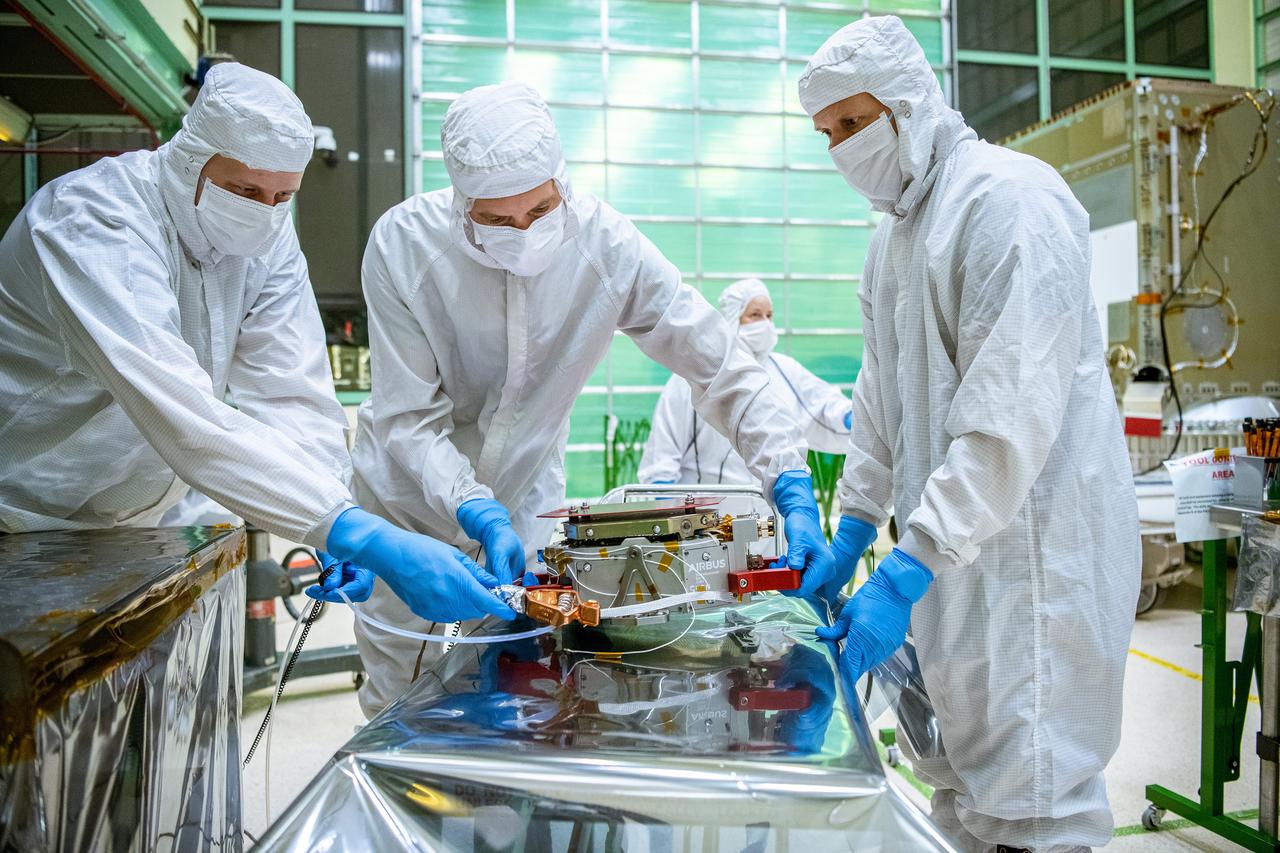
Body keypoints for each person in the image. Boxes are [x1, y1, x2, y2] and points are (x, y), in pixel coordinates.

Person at [348, 81, 833, 718]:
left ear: (562, 180)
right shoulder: (403, 248)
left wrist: (790, 479)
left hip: (522, 499)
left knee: (525, 681)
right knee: (399, 695)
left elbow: (720, 365)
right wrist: (472, 508)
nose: (523, 232)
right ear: (462, 200)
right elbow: (408, 421)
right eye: (497, 219)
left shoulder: (608, 247)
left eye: (541, 209)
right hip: (407, 507)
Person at [0, 62, 515, 625]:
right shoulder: (94, 221)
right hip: (22, 521)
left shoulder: (266, 232)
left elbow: (291, 391)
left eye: (282, 195)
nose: (264, 210)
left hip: (144, 526)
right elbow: (182, 415)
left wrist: (331, 515)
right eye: (245, 189)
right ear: (192, 158)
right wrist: (361, 533)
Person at [798, 17, 1140, 853]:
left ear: (908, 102)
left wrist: (908, 561)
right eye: (827, 132)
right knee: (959, 790)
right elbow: (878, 401)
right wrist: (852, 528)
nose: (842, 146)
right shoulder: (893, 240)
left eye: (853, 121)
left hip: (1032, 556)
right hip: (954, 557)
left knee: (1034, 793)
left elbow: (1006, 418)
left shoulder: (1008, 199)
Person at [637, 277, 852, 487]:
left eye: (769, 315)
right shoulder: (691, 375)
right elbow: (663, 451)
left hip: (767, 513)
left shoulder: (784, 370)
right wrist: (663, 495)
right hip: (708, 513)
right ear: (733, 318)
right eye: (755, 315)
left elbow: (821, 403)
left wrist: (852, 418)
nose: (766, 324)